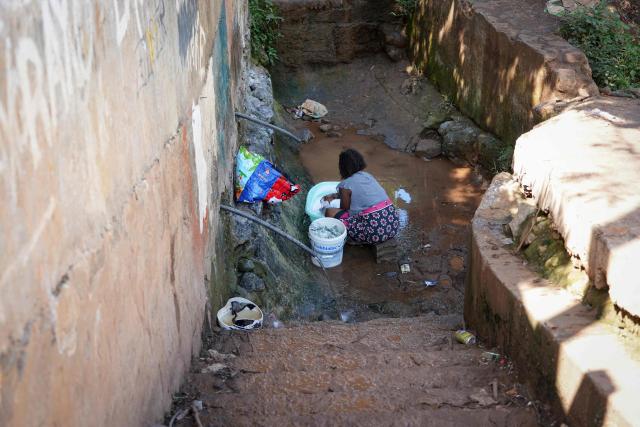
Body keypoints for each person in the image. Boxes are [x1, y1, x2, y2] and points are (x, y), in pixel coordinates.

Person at [323, 149, 399, 244]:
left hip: (376, 231)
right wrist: (335, 196)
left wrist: (332, 201)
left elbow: (345, 208)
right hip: (393, 224)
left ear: (342, 167)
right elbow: (361, 193)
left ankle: (351, 240)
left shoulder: (345, 184)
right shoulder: (368, 176)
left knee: (330, 212)